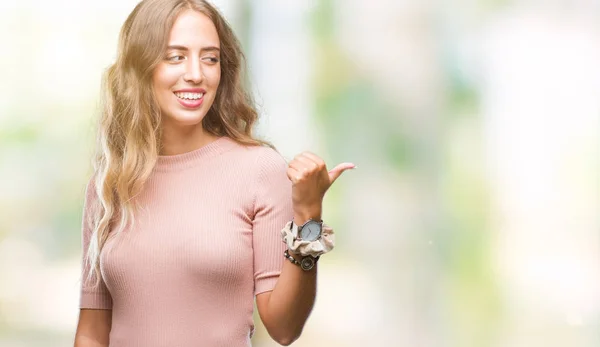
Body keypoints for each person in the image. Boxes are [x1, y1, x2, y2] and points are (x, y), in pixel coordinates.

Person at [73, 1, 355, 346]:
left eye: (210, 58)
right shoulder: (109, 185)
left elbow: (284, 328)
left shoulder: (259, 169)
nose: (196, 73)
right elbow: (92, 331)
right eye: (175, 56)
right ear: (140, 66)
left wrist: (308, 217)